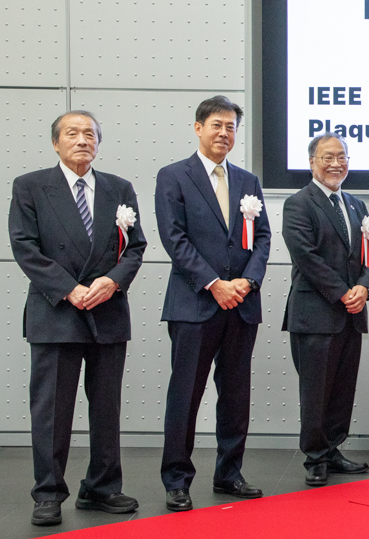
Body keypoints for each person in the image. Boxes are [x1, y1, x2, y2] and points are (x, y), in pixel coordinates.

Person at [8, 111, 146, 526]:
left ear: (98, 143)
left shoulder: (119, 188)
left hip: (107, 309)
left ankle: (102, 487)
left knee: (106, 407)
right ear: (56, 143)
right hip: (56, 311)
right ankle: (48, 492)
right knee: (52, 410)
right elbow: (25, 246)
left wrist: (112, 281)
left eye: (90, 134)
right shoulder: (31, 186)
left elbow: (135, 246)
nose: (82, 140)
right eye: (72, 133)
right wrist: (69, 288)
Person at [154, 96, 271, 512]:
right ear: (198, 127)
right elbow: (174, 239)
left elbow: (262, 238)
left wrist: (247, 282)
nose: (224, 133)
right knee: (186, 394)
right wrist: (214, 283)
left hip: (241, 304)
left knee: (236, 395)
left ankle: (229, 473)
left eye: (231, 127)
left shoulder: (247, 181)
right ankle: (177, 480)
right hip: (194, 304)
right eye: (217, 125)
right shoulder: (173, 176)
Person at [281, 133, 369, 487]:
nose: (336, 164)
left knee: (341, 389)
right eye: (328, 157)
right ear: (312, 162)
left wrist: (365, 287)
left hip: (351, 315)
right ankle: (315, 457)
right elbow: (306, 257)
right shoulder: (298, 203)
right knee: (316, 391)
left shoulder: (356, 205)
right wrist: (342, 293)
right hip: (315, 314)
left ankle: (333, 449)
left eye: (342, 157)